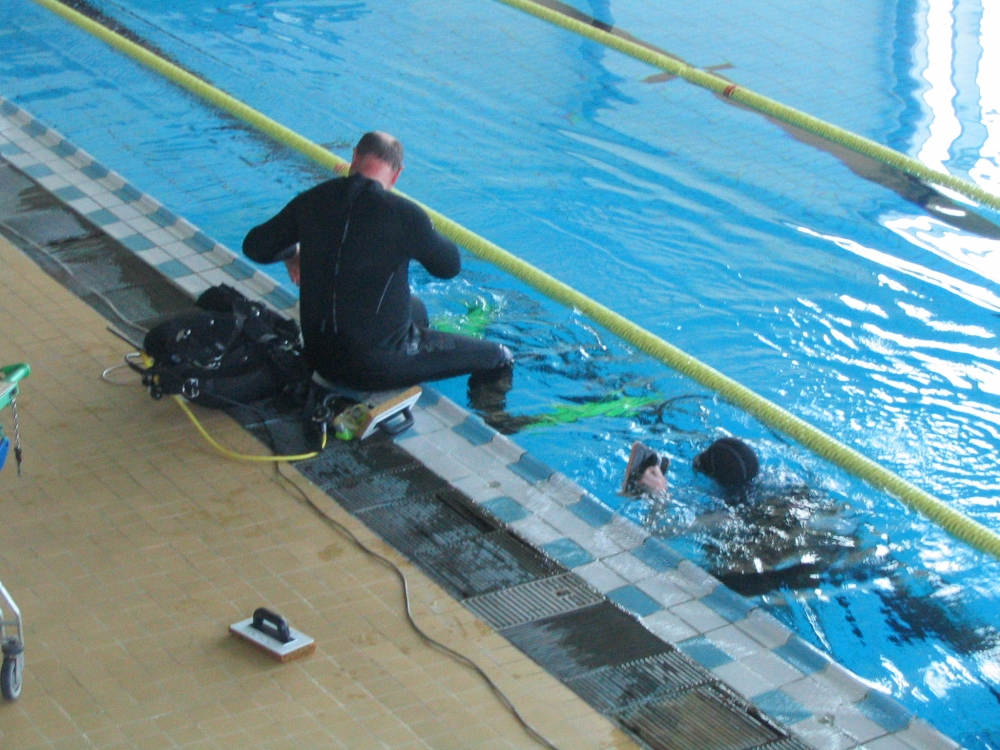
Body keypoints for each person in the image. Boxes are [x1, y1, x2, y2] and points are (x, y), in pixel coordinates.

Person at [243, 131, 513, 392]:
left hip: (318, 357)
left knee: (416, 308)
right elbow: (449, 267)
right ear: (397, 173)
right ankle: (493, 415)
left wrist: (293, 254)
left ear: (355, 156)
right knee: (499, 356)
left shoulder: (313, 199)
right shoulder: (404, 215)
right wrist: (423, 229)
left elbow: (255, 247)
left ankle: (410, 363)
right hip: (372, 369)